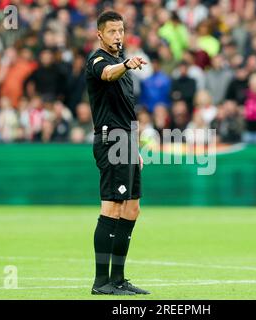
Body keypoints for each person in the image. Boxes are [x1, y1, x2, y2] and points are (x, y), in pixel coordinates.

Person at [85, 11, 149, 296]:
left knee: (132, 209)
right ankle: (101, 282)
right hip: (111, 141)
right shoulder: (98, 60)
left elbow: (127, 110)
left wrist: (135, 149)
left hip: (127, 143)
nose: (118, 36)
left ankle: (119, 279)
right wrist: (125, 64)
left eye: (121, 30)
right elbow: (108, 73)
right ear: (100, 34)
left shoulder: (124, 68)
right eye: (112, 31)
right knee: (111, 207)